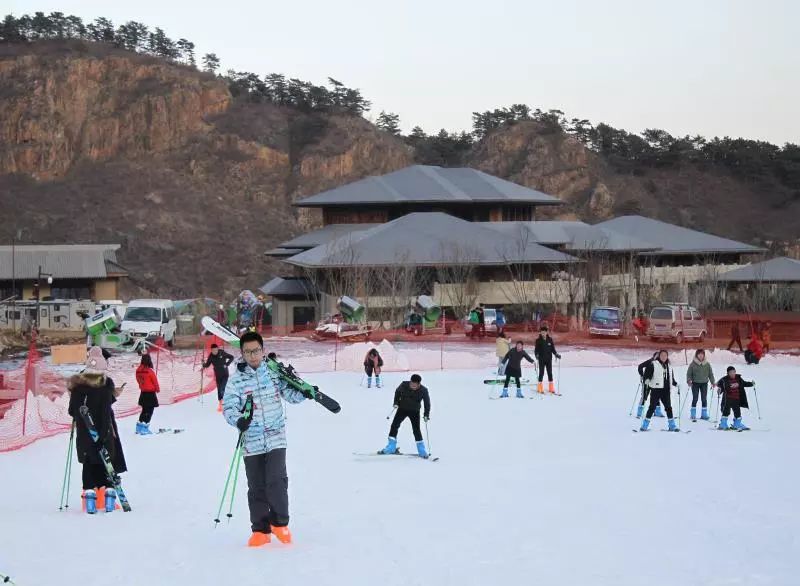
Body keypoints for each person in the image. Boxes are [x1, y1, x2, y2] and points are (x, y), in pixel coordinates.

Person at [223, 331, 307, 547]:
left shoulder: (273, 373)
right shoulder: (236, 381)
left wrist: (304, 392)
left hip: (276, 436)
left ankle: (280, 523)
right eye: (248, 352)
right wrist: (238, 420)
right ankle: (260, 530)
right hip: (251, 441)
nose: (253, 356)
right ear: (241, 353)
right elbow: (229, 407)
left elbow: (290, 394)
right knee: (257, 486)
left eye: (256, 351)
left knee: (277, 481)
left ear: (262, 350)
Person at [67, 346, 127, 515]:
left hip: (85, 435)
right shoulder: (105, 384)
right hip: (104, 433)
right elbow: (105, 410)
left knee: (88, 465)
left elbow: (72, 411)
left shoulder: (77, 385)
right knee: (106, 464)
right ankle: (108, 501)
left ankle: (90, 504)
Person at [379, 374, 431, 458]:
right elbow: (397, 392)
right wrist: (396, 403)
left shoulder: (423, 390)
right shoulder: (404, 385)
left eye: (415, 385)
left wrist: (426, 414)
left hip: (414, 411)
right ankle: (391, 447)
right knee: (394, 426)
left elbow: (427, 403)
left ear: (419, 384)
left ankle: (422, 451)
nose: (412, 386)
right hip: (402, 409)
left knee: (416, 430)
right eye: (411, 384)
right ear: (410, 382)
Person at [638, 349, 680, 432]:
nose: (664, 357)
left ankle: (672, 426)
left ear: (667, 357)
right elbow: (647, 375)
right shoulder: (653, 364)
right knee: (652, 407)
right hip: (656, 390)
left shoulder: (669, 366)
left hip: (666, 390)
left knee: (668, 407)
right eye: (662, 355)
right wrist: (647, 380)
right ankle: (644, 426)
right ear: (659, 356)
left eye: (665, 355)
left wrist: (676, 384)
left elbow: (671, 378)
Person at [716, 366, 754, 430]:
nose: (732, 373)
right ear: (728, 373)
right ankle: (723, 424)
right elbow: (721, 386)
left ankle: (737, 424)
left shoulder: (738, 378)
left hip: (736, 398)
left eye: (734, 372)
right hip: (727, 399)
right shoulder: (725, 379)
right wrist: (719, 390)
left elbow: (744, 383)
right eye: (730, 372)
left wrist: (751, 384)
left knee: (737, 412)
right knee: (726, 411)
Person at [204, 343, 234, 412]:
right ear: (211, 350)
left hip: (225, 374)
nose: (214, 351)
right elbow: (207, 365)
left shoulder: (222, 352)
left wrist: (227, 364)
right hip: (218, 375)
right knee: (219, 389)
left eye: (215, 350)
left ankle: (225, 402)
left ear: (217, 349)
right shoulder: (211, 356)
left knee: (221, 388)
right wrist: (203, 364)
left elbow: (231, 357)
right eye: (213, 350)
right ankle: (220, 403)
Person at [686, 349, 715, 421]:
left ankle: (704, 414)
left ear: (704, 355)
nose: (701, 355)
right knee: (695, 398)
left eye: (702, 354)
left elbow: (710, 374)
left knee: (704, 399)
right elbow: (689, 374)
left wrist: (713, 382)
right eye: (699, 354)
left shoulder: (707, 364)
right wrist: (689, 380)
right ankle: (693, 414)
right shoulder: (693, 364)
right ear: (696, 355)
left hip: (704, 384)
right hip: (695, 383)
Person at [135, 353, 160, 435]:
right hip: (150, 393)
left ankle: (139, 427)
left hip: (143, 393)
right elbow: (155, 381)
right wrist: (157, 389)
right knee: (149, 411)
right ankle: (144, 428)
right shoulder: (149, 371)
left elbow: (138, 380)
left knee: (144, 410)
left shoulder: (138, 370)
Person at [533, 325, 561, 394]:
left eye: (544, 332)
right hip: (541, 359)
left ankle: (551, 388)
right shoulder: (538, 340)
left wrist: (556, 354)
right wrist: (536, 355)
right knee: (541, 373)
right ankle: (540, 388)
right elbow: (536, 350)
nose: (543, 333)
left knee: (550, 373)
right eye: (542, 332)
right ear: (540, 333)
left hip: (548, 359)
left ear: (546, 332)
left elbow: (553, 349)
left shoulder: (550, 340)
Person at [636, 351, 662, 418]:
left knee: (656, 397)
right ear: (654, 356)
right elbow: (640, 366)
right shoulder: (649, 361)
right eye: (657, 356)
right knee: (644, 396)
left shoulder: (660, 364)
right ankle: (639, 412)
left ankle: (657, 412)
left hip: (655, 383)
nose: (658, 357)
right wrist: (642, 375)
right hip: (646, 382)